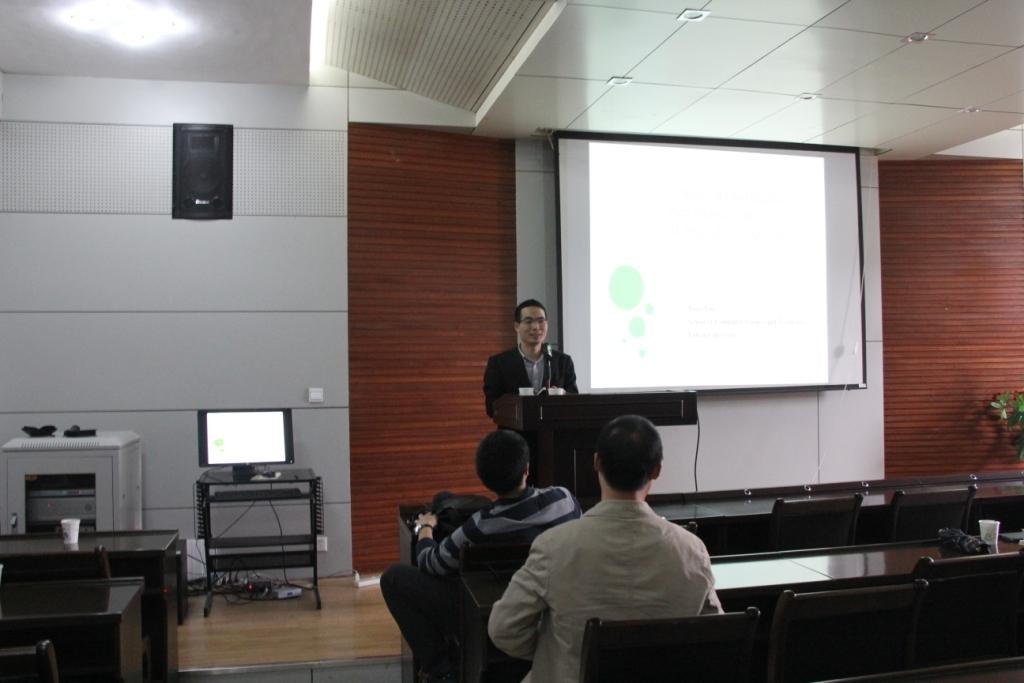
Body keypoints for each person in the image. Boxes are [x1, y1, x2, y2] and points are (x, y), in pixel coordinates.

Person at [487, 415, 722, 683]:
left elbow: (503, 629)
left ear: (596, 462)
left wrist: (557, 652)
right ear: (657, 470)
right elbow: (716, 633)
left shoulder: (553, 546)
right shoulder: (691, 551)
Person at [380, 430, 581, 683]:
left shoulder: (480, 526)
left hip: (488, 616)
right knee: (444, 499)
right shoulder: (563, 500)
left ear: (484, 479)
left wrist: (425, 528)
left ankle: (442, 670)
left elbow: (430, 563)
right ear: (526, 469)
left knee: (394, 578)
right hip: (554, 610)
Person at [483, 299, 578, 417]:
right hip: (516, 428)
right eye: (528, 321)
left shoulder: (563, 362)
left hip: (554, 427)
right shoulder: (499, 363)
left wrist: (563, 395)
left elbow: (576, 403)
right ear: (516, 326)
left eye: (541, 321)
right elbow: (491, 407)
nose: (536, 327)